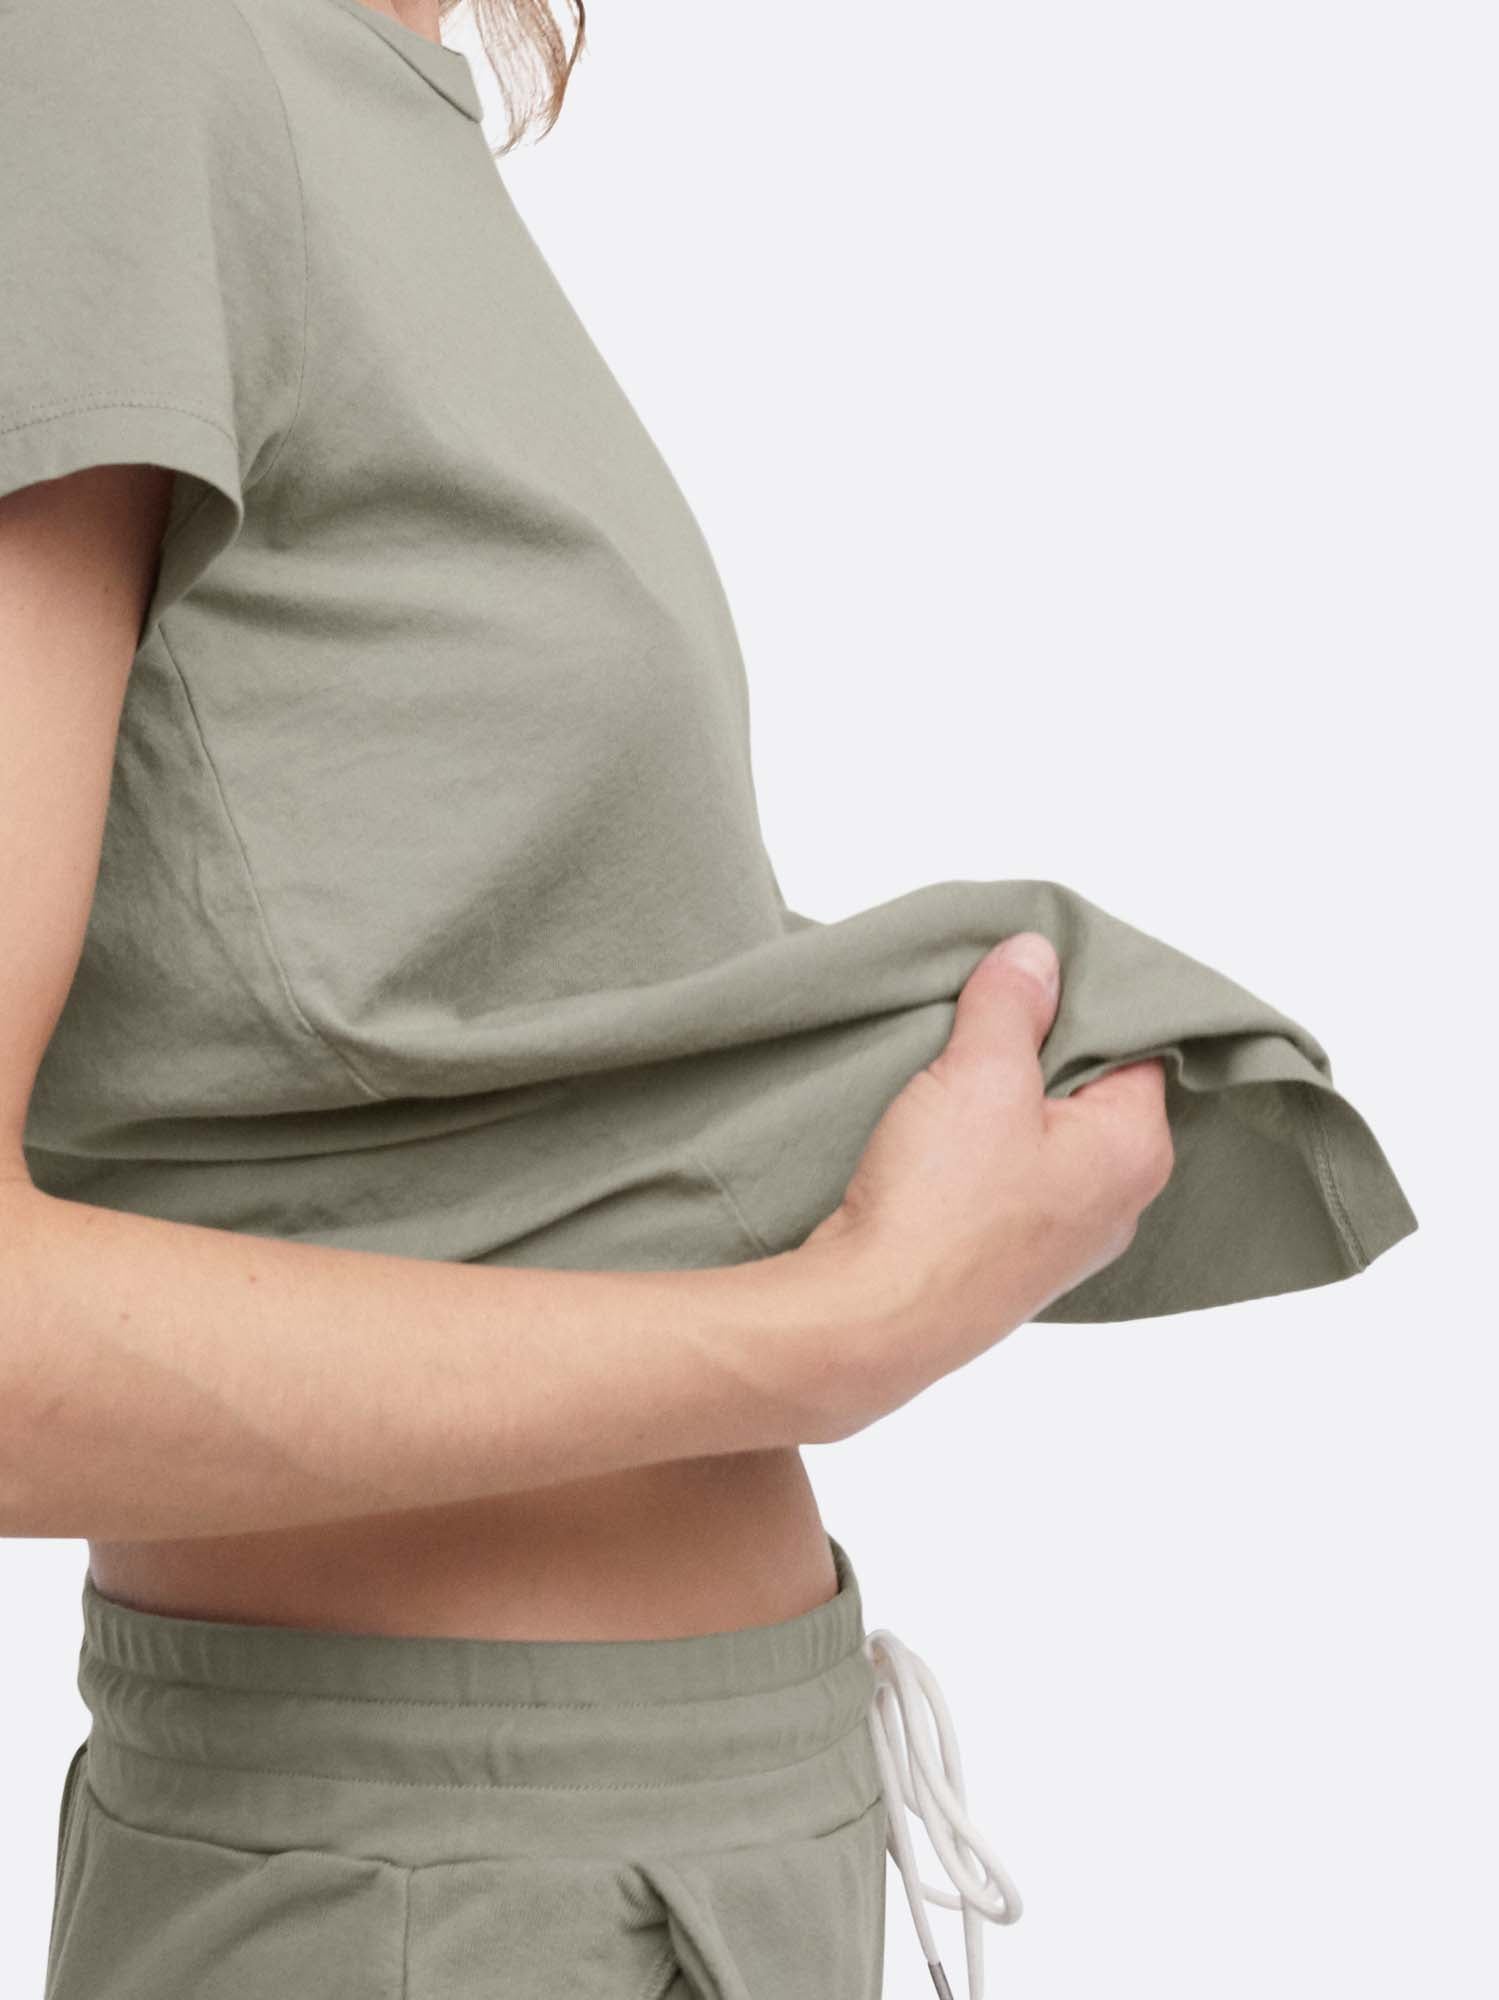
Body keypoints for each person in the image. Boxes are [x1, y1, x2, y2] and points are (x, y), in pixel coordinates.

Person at [0, 1, 1417, 1995]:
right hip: (431, 1892)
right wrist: (831, 1327)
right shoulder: (124, 58)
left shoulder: (350, 95)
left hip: (705, 1831)